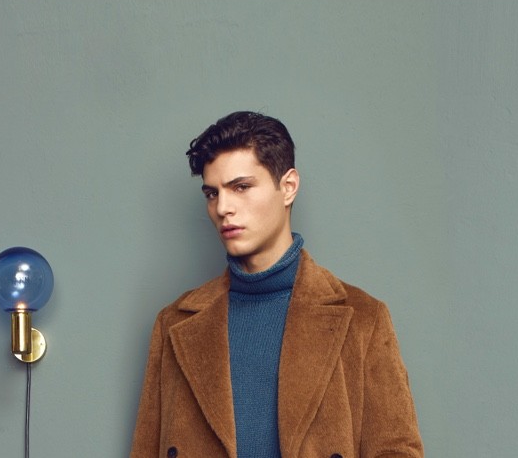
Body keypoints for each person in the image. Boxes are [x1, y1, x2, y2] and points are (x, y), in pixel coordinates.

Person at [130, 112, 423, 458]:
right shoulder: (174, 323)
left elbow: (396, 450)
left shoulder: (363, 319)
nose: (223, 208)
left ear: (288, 187)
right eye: (211, 193)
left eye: (241, 187)